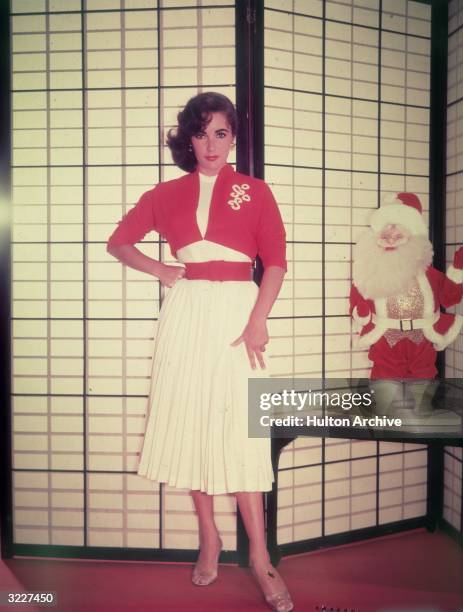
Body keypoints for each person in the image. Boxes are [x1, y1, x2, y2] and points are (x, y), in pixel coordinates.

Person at [106, 92, 293, 612]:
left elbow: (275, 262)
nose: (211, 144)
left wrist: (258, 321)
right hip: (187, 315)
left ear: (233, 139)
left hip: (239, 313)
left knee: (241, 431)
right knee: (194, 425)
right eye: (201, 132)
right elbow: (120, 242)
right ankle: (209, 537)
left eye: (221, 134)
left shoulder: (255, 192)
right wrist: (162, 270)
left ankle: (260, 556)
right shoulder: (165, 194)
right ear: (188, 138)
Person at [349, 192, 463, 413]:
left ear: (412, 235)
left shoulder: (427, 272)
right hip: (386, 336)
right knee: (384, 372)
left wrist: (456, 274)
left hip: (422, 336)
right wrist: (361, 311)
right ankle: (383, 412)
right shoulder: (370, 271)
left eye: (398, 231)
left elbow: (449, 297)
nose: (391, 236)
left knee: (423, 374)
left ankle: (421, 411)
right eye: (387, 231)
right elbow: (358, 296)